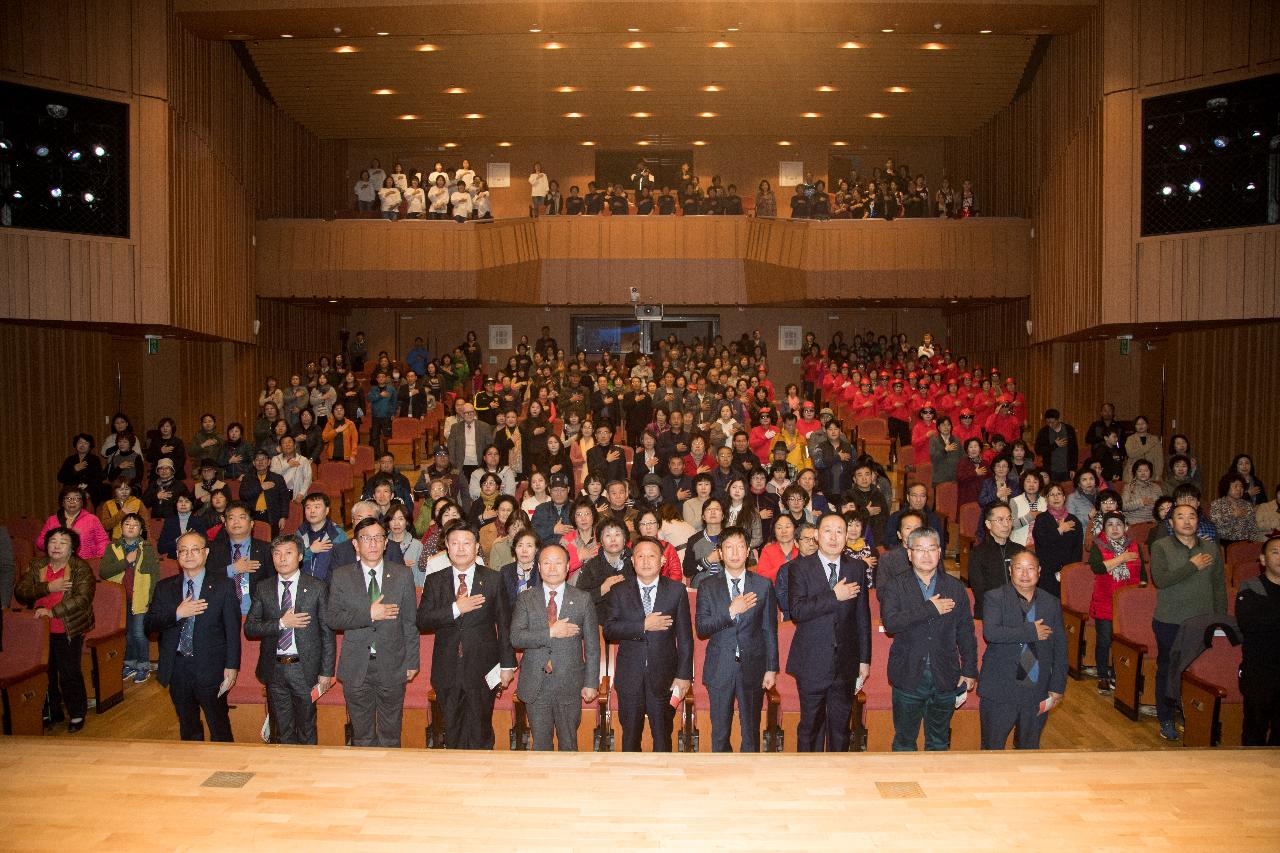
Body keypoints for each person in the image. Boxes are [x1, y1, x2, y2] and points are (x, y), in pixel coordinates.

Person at [417, 523, 516, 749]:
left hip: (482, 667)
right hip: (447, 668)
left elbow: (504, 623)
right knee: (451, 729)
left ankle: (482, 780)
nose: (460, 548)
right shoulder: (435, 580)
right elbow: (422, 621)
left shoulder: (493, 579)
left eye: (466, 543)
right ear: (447, 548)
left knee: (481, 729)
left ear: (477, 547)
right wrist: (455, 608)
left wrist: (508, 665)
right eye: (454, 543)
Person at [880, 528, 978, 751]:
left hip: (945, 675)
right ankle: (904, 785)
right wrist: (929, 608)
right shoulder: (896, 585)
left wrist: (970, 669)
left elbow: (965, 632)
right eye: (919, 549)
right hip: (908, 673)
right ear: (909, 553)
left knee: (939, 741)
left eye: (931, 549)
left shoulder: (955, 587)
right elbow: (891, 623)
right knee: (905, 741)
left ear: (940, 552)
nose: (926, 555)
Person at [326, 516, 420, 748]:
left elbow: (410, 622)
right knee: (362, 735)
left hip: (392, 663)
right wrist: (369, 614)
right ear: (356, 544)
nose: (373, 544)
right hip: (357, 665)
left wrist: (412, 662)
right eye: (366, 538)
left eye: (378, 538)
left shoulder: (402, 575)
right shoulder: (342, 575)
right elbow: (333, 618)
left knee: (391, 734)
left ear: (386, 543)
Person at [785, 513, 872, 752]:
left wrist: (864, 659)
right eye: (827, 531)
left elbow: (862, 617)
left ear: (847, 536)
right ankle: (808, 780)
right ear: (816, 535)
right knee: (810, 727)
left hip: (846, 662)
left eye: (839, 531)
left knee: (841, 728)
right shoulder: (799, 567)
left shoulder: (856, 568)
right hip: (812, 660)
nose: (833, 537)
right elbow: (798, 611)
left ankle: (838, 777)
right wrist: (834, 596)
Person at [144, 531, 241, 742]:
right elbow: (149, 626)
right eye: (183, 551)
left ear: (205, 553)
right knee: (188, 728)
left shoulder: (223, 585)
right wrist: (178, 613)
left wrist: (232, 667)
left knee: (219, 727)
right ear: (177, 555)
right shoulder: (164, 587)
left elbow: (232, 631)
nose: (188, 555)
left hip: (211, 668)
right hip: (178, 668)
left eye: (194, 550)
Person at [244, 534, 336, 745]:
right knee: (282, 730)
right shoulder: (263, 587)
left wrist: (326, 671)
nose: (282, 558)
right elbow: (250, 627)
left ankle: (307, 774)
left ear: (301, 556)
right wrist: (281, 623)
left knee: (306, 727)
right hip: (274, 668)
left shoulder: (317, 587)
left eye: (288, 553)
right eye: (277, 553)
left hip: (305, 668)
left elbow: (327, 634)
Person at [693, 525, 779, 753]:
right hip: (720, 667)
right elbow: (702, 628)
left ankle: (749, 784)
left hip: (754, 667)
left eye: (740, 546)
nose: (734, 552)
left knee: (751, 734)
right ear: (720, 553)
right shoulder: (707, 586)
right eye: (728, 547)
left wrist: (771, 668)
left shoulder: (762, 585)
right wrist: (731, 611)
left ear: (748, 550)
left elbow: (770, 629)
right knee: (720, 734)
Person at [604, 536, 694, 752]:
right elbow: (609, 630)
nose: (645, 561)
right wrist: (642, 625)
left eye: (651, 556)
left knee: (663, 738)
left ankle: (664, 783)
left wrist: (683, 676)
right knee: (630, 738)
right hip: (630, 677)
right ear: (632, 561)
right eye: (640, 556)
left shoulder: (676, 591)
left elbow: (685, 638)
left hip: (664, 677)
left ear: (662, 561)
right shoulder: (619, 590)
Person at [510, 543, 600, 751]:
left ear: (568, 566)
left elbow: (593, 646)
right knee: (540, 745)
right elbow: (516, 638)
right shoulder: (526, 598)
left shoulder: (582, 599)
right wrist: (550, 632)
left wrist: (591, 682)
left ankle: (569, 784)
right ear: (538, 567)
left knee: (569, 744)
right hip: (536, 683)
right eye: (546, 563)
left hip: (569, 683)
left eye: (558, 563)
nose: (552, 568)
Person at [1149, 504, 1226, 741]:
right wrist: (1192, 566)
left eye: (1192, 516)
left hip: (1202, 622)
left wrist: (1220, 620)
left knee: (1199, 674)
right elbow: (1161, 580)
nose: (1186, 521)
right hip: (1170, 620)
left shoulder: (1212, 548)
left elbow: (1219, 588)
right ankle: (1166, 718)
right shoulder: (1161, 546)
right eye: (1180, 517)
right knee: (1168, 671)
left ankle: (1193, 717)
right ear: (1171, 523)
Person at [978, 551, 1066, 750]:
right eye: (1019, 568)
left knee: (1029, 749)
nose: (1025, 574)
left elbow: (1060, 646)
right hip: (1001, 689)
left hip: (1037, 689)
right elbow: (992, 633)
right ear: (1010, 570)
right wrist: (1030, 631)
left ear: (1039, 571)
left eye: (1030, 568)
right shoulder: (995, 597)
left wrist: (1058, 685)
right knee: (992, 748)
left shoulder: (1050, 602)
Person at [15, 526, 95, 733]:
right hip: (40, 630)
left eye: (63, 542)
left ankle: (77, 713)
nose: (57, 546)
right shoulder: (37, 564)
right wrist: (48, 588)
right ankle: (52, 711)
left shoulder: (80, 568)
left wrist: (53, 612)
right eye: (53, 541)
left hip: (68, 627)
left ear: (72, 548)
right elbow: (21, 592)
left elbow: (83, 599)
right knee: (46, 673)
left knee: (69, 673)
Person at [1088, 511, 1145, 696]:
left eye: (1118, 524)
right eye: (1110, 524)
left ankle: (1117, 673)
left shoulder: (1134, 545)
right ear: (1104, 528)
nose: (1114, 528)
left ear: (1125, 527)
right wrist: (1121, 558)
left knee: (1123, 641)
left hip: (1129, 605)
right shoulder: (1098, 545)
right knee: (1105, 640)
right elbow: (1097, 567)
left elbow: (1143, 574)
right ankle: (1102, 675)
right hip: (1106, 600)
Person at [1236, 537, 1280, 745]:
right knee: (1255, 727)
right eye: (1275, 552)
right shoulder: (1251, 588)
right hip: (1259, 670)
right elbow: (1251, 624)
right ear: (1262, 559)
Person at [207, 503, 273, 619]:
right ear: (225, 524)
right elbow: (206, 579)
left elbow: (274, 583)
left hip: (257, 615)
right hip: (221, 615)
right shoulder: (213, 549)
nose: (236, 522)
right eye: (231, 518)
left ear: (252, 523)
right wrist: (233, 569)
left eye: (242, 517)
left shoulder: (267, 550)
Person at [968, 503, 1025, 621]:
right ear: (988, 524)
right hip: (990, 614)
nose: (1006, 524)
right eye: (1000, 520)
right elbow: (980, 592)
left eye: (1009, 519)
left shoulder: (1020, 551)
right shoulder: (978, 553)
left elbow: (1028, 585)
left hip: (1019, 612)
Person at [1031, 483, 1083, 597]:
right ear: (1046, 499)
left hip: (1068, 571)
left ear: (1064, 497)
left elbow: (1077, 549)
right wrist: (1059, 530)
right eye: (1052, 494)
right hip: (1047, 572)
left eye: (1059, 494)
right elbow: (1042, 543)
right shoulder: (1041, 519)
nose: (1056, 497)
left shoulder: (1073, 520)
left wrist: (1068, 570)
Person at [38, 486, 109, 559]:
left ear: (82, 503)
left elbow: (103, 542)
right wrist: (55, 542)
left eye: (76, 499)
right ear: (62, 502)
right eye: (68, 498)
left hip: (85, 562)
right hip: (58, 562)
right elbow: (40, 542)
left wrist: (97, 560)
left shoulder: (92, 519)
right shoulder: (52, 520)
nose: (72, 501)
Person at [296, 493, 348, 582]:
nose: (312, 511)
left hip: (330, 586)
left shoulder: (337, 534)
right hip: (304, 585)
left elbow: (345, 565)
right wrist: (310, 551)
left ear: (327, 510)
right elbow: (293, 561)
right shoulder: (300, 533)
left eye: (317, 507)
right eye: (308, 507)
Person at [240, 449, 291, 534]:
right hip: (252, 516)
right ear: (253, 463)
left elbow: (284, 499)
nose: (260, 462)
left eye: (263, 459)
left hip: (271, 516)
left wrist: (283, 517)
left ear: (269, 462)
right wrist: (260, 487)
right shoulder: (247, 478)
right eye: (257, 459)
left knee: (272, 543)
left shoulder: (277, 478)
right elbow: (243, 495)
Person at [447, 402, 495, 487]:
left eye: (471, 412)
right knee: (463, 489)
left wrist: (488, 464)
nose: (469, 414)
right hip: (461, 465)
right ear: (462, 414)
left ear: (474, 413)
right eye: (466, 413)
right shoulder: (455, 428)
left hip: (479, 464)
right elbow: (451, 448)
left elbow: (490, 447)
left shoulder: (485, 427)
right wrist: (453, 466)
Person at [58, 433, 108, 506]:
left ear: (90, 446)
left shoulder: (94, 459)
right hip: (71, 494)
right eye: (80, 442)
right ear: (76, 444)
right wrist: (74, 469)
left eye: (86, 443)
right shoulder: (70, 460)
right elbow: (60, 478)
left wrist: (88, 492)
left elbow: (98, 479)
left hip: (89, 494)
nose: (82, 445)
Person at [1033, 409, 1078, 483]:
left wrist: (1073, 468)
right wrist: (1054, 445)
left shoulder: (1069, 429)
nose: (1050, 425)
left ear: (1058, 419)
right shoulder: (1043, 432)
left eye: (1052, 422)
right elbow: (1038, 450)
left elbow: (1074, 450)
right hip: (1051, 471)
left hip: (1067, 470)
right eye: (1048, 422)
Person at [1008, 469, 1045, 547]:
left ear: (1039, 484)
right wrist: (1030, 516)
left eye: (1035, 482)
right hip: (1019, 544)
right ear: (1023, 483)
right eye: (1028, 481)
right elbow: (1011, 525)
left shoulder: (1045, 501)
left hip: (1042, 544)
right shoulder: (1014, 501)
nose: (1031, 485)